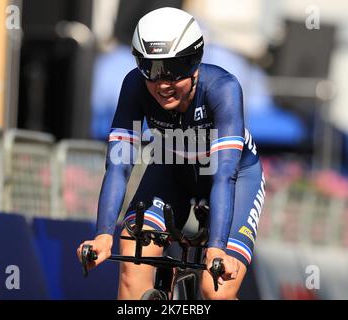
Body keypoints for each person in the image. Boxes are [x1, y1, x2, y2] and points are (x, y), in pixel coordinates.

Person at [77, 7, 265, 300]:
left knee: (215, 290)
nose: (162, 83)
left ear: (194, 62)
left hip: (233, 177)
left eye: (173, 69)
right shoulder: (134, 86)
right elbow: (118, 165)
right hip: (171, 168)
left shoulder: (222, 88)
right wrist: (103, 234)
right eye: (150, 68)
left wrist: (216, 247)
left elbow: (224, 175)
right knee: (132, 254)